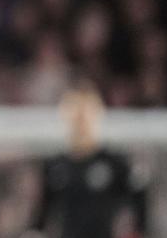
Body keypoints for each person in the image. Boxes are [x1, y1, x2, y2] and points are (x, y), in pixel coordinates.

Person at [26, 80, 148, 238]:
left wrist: (137, 229)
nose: (80, 121)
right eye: (75, 113)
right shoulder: (56, 165)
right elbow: (43, 211)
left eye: (86, 113)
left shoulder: (113, 163)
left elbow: (138, 193)